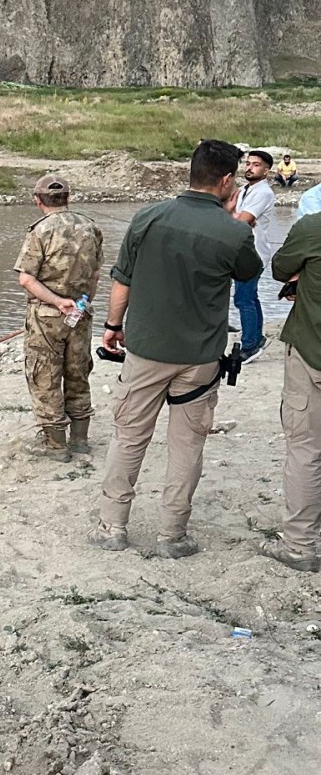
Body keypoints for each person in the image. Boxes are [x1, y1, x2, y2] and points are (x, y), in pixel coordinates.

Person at [91, 140, 262, 557]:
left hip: (146, 348)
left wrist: (113, 326)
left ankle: (113, 527)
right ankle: (173, 535)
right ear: (225, 181)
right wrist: (228, 219)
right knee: (188, 445)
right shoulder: (234, 230)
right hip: (201, 357)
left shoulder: (147, 217)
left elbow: (122, 280)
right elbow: (250, 273)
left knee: (129, 437)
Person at [14, 174, 103, 460]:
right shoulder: (90, 227)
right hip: (80, 313)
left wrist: (58, 302)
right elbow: (96, 274)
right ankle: (80, 439)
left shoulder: (39, 231)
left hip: (46, 317)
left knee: (44, 375)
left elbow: (27, 279)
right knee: (78, 372)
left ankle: (55, 444)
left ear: (37, 200)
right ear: (69, 197)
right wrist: (81, 303)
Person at [266, 206, 321, 570]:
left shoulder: (313, 227)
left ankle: (300, 546)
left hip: (313, 351)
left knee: (305, 448)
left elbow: (279, 267)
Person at [232, 149, 275, 360]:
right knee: (250, 296)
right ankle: (256, 337)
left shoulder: (263, 192)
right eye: (248, 163)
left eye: (256, 164)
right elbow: (231, 212)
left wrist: (239, 217)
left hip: (254, 253)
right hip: (243, 250)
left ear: (266, 171)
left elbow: (242, 220)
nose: (249, 167)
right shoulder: (244, 190)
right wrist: (238, 216)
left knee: (243, 299)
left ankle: (250, 345)